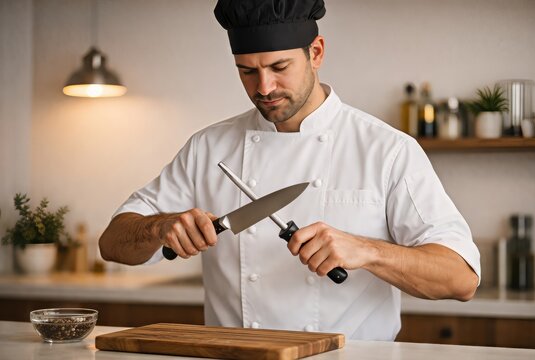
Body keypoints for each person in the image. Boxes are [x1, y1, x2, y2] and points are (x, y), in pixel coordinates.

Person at [99, 0, 480, 340]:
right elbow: (112, 242)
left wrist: (368, 251)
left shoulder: (387, 150)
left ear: (316, 52)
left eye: (279, 67)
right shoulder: (209, 147)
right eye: (247, 71)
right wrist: (160, 228)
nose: (264, 86)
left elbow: (461, 278)